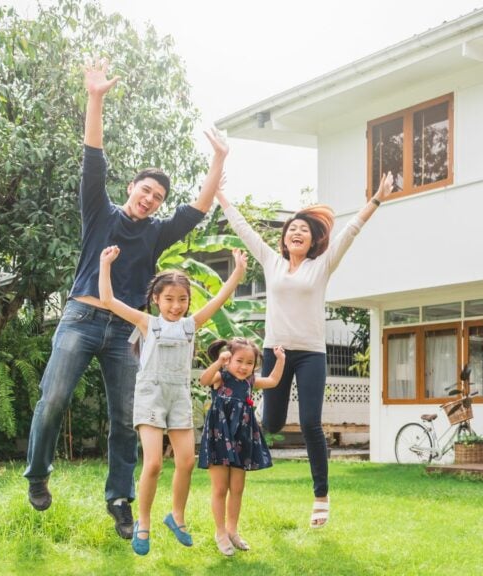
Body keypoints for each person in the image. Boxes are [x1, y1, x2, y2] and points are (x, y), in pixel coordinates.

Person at [23, 58, 228, 542]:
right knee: (53, 399)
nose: (151, 199)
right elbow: (92, 155)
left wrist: (219, 160)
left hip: (126, 333)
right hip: (80, 317)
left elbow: (199, 207)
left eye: (158, 196)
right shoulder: (99, 211)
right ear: (131, 188)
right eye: (146, 190)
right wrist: (95, 98)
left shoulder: (157, 234)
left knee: (124, 418)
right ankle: (37, 473)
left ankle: (119, 499)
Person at [217, 171, 394, 528]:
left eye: (304, 230)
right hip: (275, 352)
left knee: (312, 422)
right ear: (284, 239)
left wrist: (375, 200)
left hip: (311, 352)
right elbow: (245, 231)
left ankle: (321, 496)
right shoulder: (271, 262)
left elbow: (350, 233)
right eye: (291, 229)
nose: (296, 233)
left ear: (313, 241)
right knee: (273, 421)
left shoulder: (322, 265)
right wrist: (221, 196)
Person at [99, 245, 248, 555]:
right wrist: (105, 265)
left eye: (182, 300)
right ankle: (143, 521)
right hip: (151, 394)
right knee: (152, 463)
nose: (176, 306)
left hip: (178, 394)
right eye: (169, 299)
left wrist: (238, 271)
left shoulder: (190, 325)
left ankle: (176, 516)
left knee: (187, 461)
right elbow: (108, 301)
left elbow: (220, 299)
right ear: (156, 299)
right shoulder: (147, 322)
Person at [198, 338, 286, 555]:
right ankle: (219, 532)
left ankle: (232, 531)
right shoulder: (222, 377)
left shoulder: (250, 381)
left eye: (249, 362)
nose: (244, 367)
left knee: (237, 488)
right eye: (239, 361)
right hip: (219, 435)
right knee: (220, 488)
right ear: (229, 359)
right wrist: (219, 363)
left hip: (241, 437)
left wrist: (281, 359)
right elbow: (203, 379)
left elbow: (274, 380)